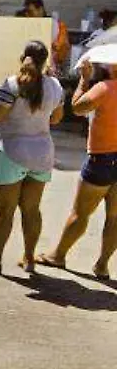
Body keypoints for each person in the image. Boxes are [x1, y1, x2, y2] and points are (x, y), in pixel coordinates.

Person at [0, 41, 63, 275]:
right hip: (42, 155)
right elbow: (56, 120)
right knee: (32, 210)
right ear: (45, 61)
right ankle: (29, 259)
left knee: (4, 210)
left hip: (11, 153)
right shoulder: (55, 86)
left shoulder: (11, 84)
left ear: (22, 58)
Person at [37, 58, 117, 280]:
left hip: (102, 158)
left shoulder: (105, 87)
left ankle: (58, 255)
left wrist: (84, 79)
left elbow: (78, 107)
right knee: (115, 217)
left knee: (80, 213)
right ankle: (102, 265)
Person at [17, 0, 70, 71]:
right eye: (26, 12)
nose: (28, 15)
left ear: (40, 9)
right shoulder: (25, 25)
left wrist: (55, 48)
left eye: (30, 12)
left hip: (47, 69)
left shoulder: (56, 26)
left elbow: (61, 51)